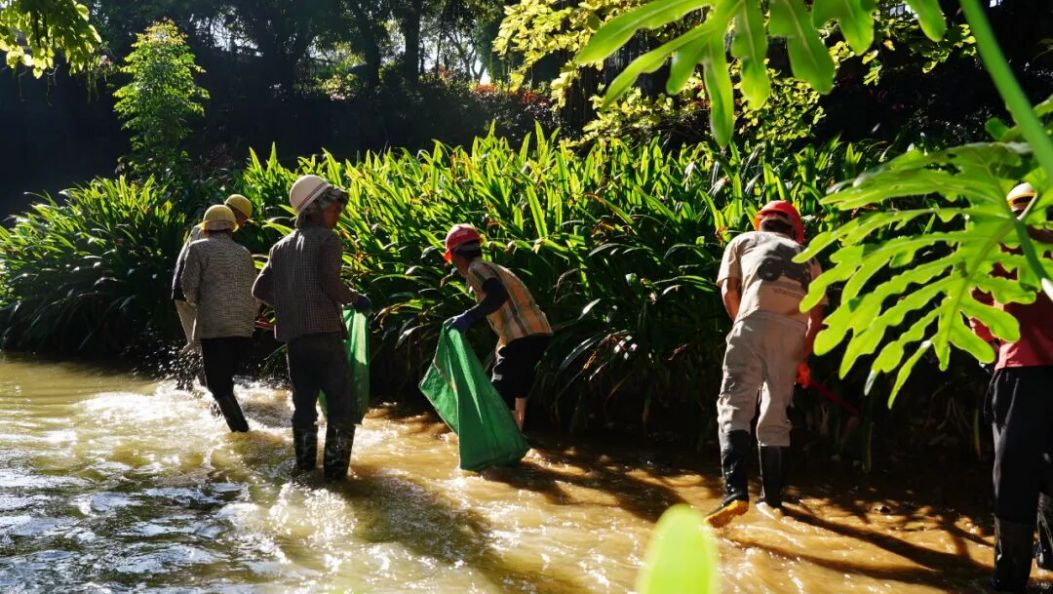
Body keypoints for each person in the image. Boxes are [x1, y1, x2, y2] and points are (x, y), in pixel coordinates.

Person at [704, 200, 826, 528]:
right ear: (794, 230)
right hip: (794, 333)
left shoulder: (743, 240)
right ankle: (772, 502)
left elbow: (730, 290)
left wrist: (740, 325)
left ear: (763, 224)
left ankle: (736, 493)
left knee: (733, 406)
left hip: (752, 320)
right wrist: (802, 359)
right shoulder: (809, 255)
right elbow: (817, 317)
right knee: (775, 417)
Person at [252, 175, 371, 481]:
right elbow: (330, 283)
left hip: (295, 340)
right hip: (325, 336)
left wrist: (290, 304)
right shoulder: (327, 240)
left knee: (303, 406)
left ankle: (304, 468)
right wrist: (356, 299)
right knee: (340, 406)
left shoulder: (280, 247)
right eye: (335, 209)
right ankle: (335, 475)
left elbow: (259, 287)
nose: (338, 215)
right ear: (316, 209)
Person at [970, 182, 1053, 592]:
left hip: (1022, 370)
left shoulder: (997, 247)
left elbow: (979, 319)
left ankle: (1010, 576)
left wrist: (993, 341)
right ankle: (1049, 558)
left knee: (1014, 473)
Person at [445, 224, 552, 431]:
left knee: (500, 385)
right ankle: (516, 435)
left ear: (457, 256)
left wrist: (469, 316)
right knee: (518, 385)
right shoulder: (494, 267)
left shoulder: (476, 269)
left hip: (522, 335)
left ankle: (498, 438)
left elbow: (498, 296)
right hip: (538, 332)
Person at [179, 204, 259, 432]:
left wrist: (202, 303)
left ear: (206, 229)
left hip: (215, 327)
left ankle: (242, 433)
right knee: (225, 381)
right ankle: (242, 430)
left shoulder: (197, 248)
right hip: (244, 328)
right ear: (231, 229)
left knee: (216, 385)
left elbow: (188, 288)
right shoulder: (244, 252)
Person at [171, 194, 254, 378]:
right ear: (233, 212)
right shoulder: (207, 230)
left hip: (189, 291)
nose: (243, 224)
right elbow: (199, 269)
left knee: (200, 340)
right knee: (199, 340)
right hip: (189, 293)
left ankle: (197, 381)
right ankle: (189, 379)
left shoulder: (208, 226)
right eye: (243, 219)